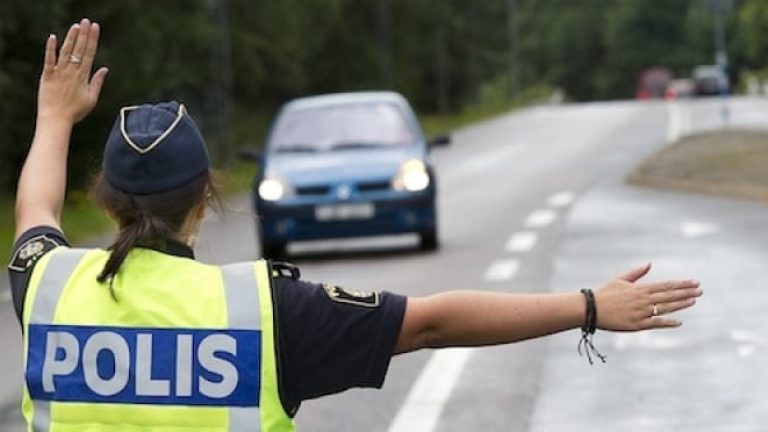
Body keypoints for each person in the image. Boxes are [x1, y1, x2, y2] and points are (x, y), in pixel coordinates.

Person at [10, 18, 702, 431]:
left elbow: (35, 211)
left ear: (104, 200)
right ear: (205, 198)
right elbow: (434, 322)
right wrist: (586, 305)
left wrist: (53, 118)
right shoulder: (263, 314)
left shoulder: (47, 288)